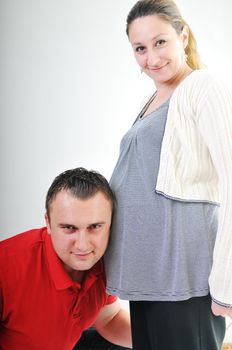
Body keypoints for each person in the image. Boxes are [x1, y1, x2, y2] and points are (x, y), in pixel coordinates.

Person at [104, 1, 232, 349]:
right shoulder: (153, 100)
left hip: (183, 277)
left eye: (160, 42)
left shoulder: (203, 86)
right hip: (146, 276)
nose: (151, 58)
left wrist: (226, 284)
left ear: (183, 35)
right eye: (140, 49)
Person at [0, 167, 132, 350]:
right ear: (48, 223)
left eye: (95, 226)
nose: (83, 245)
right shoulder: (6, 267)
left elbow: (109, 319)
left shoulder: (106, 260)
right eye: (69, 228)